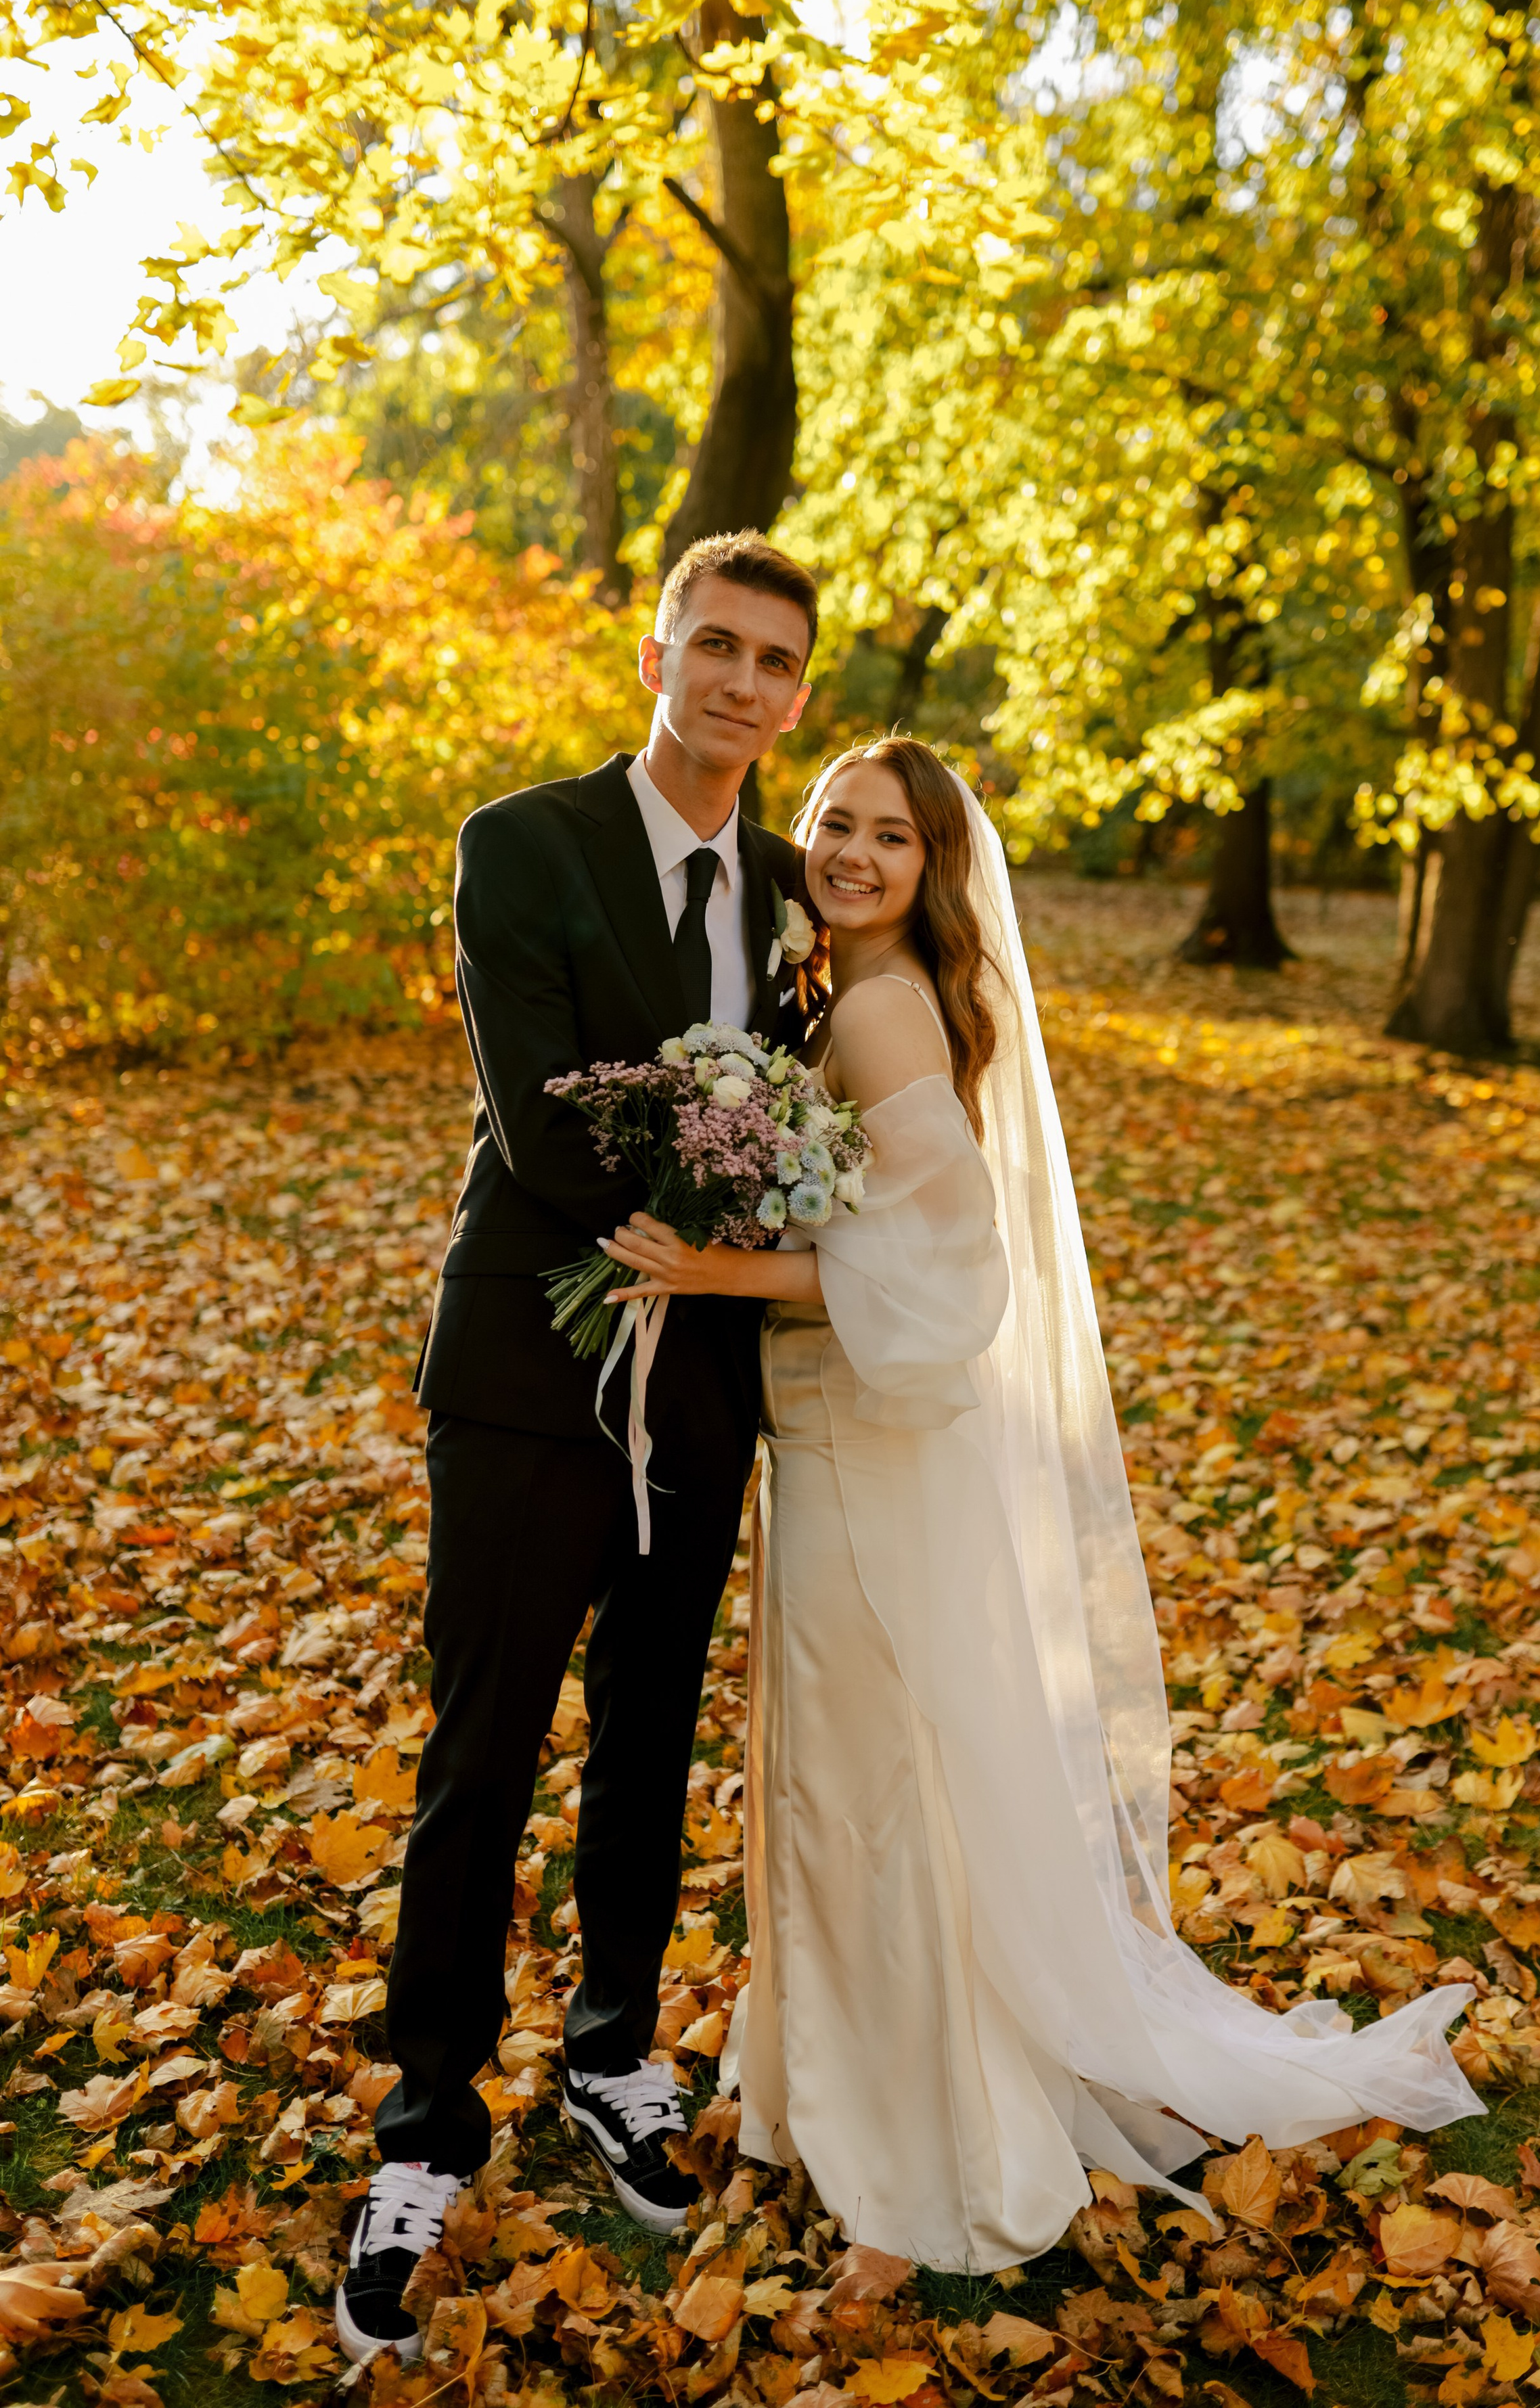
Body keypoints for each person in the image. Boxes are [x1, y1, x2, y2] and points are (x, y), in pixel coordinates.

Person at [596, 735, 1484, 2271]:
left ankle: (920, 2123)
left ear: (935, 867)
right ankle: (843, 2087)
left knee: (870, 1783)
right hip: (839, 1435)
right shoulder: (839, 991)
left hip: (863, 1446)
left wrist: (714, 1263)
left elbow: (954, 1269)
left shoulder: (877, 1012)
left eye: (890, 836)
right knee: (863, 1773)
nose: (852, 852)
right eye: (832, 822)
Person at [335, 533, 817, 2367]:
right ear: (655, 657)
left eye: (776, 663)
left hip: (701, 1384)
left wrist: (764, 1239)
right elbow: (542, 1129)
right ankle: (422, 2132)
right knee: (483, 1746)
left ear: (795, 695)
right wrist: (738, 1195)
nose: (742, 685)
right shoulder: (522, 845)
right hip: (532, 1376)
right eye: (717, 647)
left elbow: (826, 1108)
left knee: (648, 1735)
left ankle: (617, 2051)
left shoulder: (793, 890)